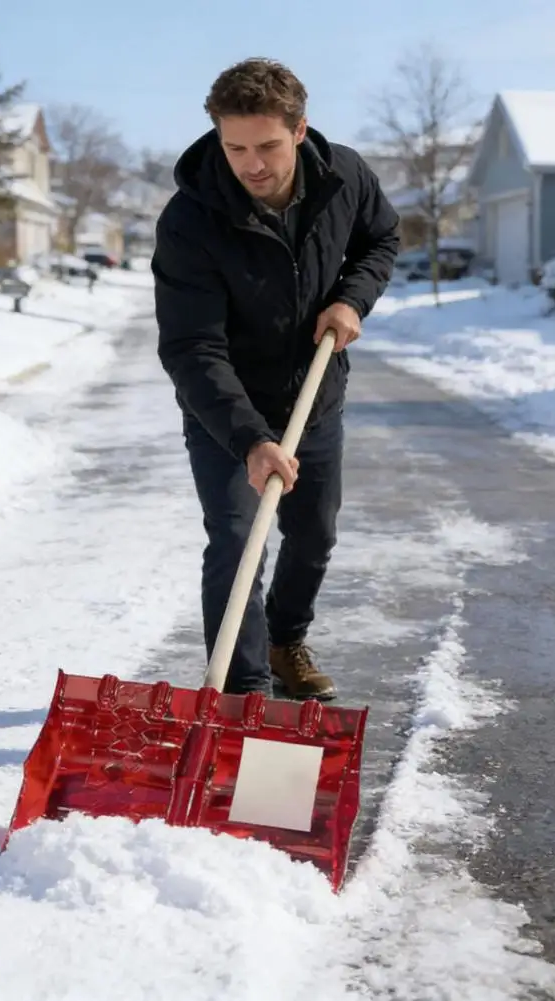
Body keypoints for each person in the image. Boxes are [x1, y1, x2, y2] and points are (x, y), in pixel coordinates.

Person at [152, 57, 400, 700]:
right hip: (227, 413)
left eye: (266, 146)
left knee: (314, 536)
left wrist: (351, 299)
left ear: (299, 130)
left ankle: (285, 641)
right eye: (235, 148)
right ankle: (245, 695)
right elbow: (191, 347)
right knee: (237, 542)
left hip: (315, 397)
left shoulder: (344, 177)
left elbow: (381, 239)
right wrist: (250, 439)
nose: (252, 164)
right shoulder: (190, 219)